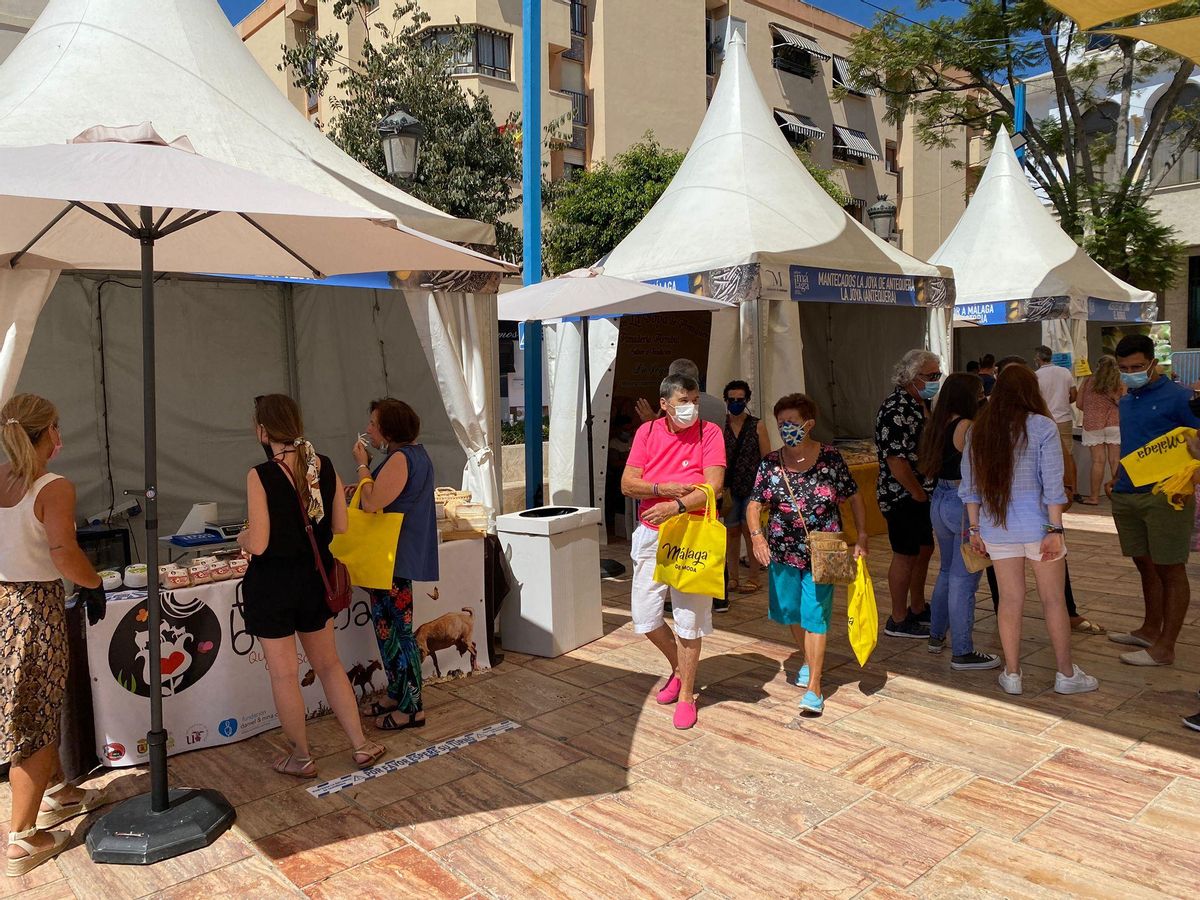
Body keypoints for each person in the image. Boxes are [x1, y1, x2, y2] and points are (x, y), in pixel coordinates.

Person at [239, 394, 385, 777]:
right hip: (313, 581)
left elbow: (260, 543)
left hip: (271, 587)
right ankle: (361, 744)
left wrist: (242, 538)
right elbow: (340, 526)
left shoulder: (261, 474)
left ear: (263, 430)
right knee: (330, 665)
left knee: (285, 675)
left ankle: (301, 756)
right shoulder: (324, 465)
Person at [1, 395, 109, 877]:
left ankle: (59, 790)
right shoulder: (54, 486)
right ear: (48, 432)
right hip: (35, 605)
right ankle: (22, 838)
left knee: (31, 702)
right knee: (35, 718)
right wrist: (96, 581)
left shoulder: (2, 478)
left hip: (3, 603)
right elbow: (64, 551)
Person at [960, 368, 1098, 696]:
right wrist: (1056, 529)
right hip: (1040, 528)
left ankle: (1012, 673)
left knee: (1009, 600)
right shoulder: (1042, 427)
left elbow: (970, 489)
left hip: (996, 529)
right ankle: (1065, 673)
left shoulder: (978, 431)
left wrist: (975, 529)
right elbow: (1053, 485)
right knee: (1053, 601)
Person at [748, 393, 867, 715]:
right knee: (791, 612)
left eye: (792, 423)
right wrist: (757, 538)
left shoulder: (830, 458)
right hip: (782, 550)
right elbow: (754, 503)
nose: (786, 429)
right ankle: (807, 657)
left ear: (809, 424)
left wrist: (862, 535)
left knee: (815, 614)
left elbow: (853, 496)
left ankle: (814, 686)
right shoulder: (770, 463)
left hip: (824, 549)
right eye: (781, 424)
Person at [621, 373, 726, 730]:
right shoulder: (647, 433)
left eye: (694, 401)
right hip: (652, 534)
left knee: (689, 619)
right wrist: (660, 487)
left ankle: (686, 695)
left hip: (691, 535)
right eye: (683, 402)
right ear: (664, 404)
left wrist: (677, 506)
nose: (691, 408)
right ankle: (679, 669)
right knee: (646, 616)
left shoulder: (709, 432)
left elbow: (713, 486)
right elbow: (627, 483)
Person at [985, 357, 1102, 635]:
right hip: (1021, 517)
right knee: (1043, 594)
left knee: (1043, 588)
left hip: (1016, 518)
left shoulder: (1037, 421)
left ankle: (1018, 652)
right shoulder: (992, 422)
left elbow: (1057, 466)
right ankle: (1055, 660)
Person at [1107, 334, 1200, 666]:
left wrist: (1188, 477)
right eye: (1123, 368)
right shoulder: (1127, 399)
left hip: (1166, 496)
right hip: (1127, 493)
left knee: (1171, 568)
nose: (1130, 372)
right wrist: (1118, 474)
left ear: (1153, 363)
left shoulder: (1180, 398)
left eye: (1136, 367)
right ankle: (1149, 630)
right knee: (1143, 563)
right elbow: (1133, 442)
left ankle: (1165, 647)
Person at [351, 398, 439, 731]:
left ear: (389, 429)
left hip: (394, 559)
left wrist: (362, 466)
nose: (369, 429)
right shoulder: (407, 456)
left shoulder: (402, 458)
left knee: (400, 634)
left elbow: (373, 503)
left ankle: (412, 708)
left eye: (373, 423)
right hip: (388, 559)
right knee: (387, 630)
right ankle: (397, 692)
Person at [915, 373, 1000, 670]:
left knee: (948, 572)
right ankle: (962, 650)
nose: (983, 397)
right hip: (963, 504)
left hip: (939, 499)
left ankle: (936, 635)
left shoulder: (937, 423)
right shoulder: (968, 427)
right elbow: (981, 470)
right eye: (979, 392)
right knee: (965, 580)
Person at [875, 349, 940, 638]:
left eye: (938, 375)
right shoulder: (895, 408)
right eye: (931, 376)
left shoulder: (921, 404)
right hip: (902, 495)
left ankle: (916, 606)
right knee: (904, 554)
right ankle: (898, 618)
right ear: (912, 377)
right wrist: (916, 493)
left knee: (924, 549)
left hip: (921, 492)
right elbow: (895, 460)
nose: (936, 380)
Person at [722, 380, 770, 595]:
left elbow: (766, 458)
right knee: (731, 532)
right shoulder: (721, 425)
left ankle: (753, 577)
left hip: (753, 487)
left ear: (747, 400)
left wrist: (767, 489)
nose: (735, 403)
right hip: (729, 487)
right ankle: (733, 577)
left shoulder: (757, 425)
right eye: (731, 400)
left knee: (751, 532)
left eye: (739, 400)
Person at [1076, 355, 1123, 506]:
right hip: (1114, 422)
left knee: (1098, 461)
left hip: (1092, 423)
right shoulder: (1119, 381)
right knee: (1115, 460)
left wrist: (1093, 408)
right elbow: (1125, 402)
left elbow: (1079, 404)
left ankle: (1094, 497)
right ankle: (1117, 496)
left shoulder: (1088, 380)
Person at [1034, 345, 1079, 498]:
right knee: (1068, 455)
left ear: (1038, 359)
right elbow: (1074, 394)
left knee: (1044, 457)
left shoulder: (1036, 376)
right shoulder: (1065, 372)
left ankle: (1051, 490)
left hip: (1044, 419)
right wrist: (1064, 403)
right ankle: (1073, 489)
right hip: (1064, 418)